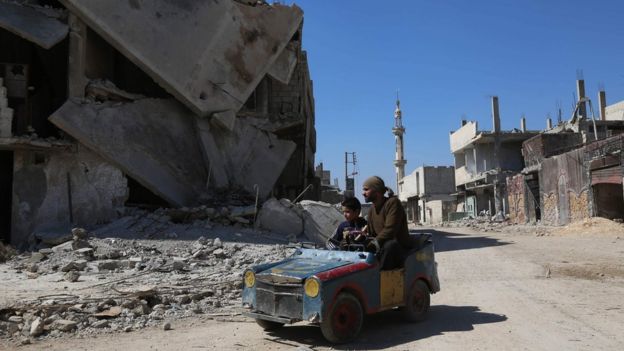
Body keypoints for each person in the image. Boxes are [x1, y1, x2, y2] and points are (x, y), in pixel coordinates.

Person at [362, 175, 411, 269]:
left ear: (376, 191)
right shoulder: (372, 209)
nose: (363, 193)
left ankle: (381, 276)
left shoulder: (393, 203)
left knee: (390, 245)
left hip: (399, 250)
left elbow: (390, 230)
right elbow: (371, 233)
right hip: (381, 248)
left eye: (366, 189)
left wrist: (374, 243)